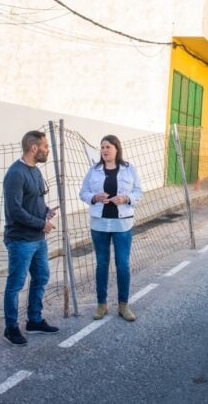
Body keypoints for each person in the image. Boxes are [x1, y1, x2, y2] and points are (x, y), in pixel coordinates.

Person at [2, 130, 60, 346]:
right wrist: (41, 224)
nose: (47, 150)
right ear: (34, 148)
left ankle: (34, 321)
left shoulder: (35, 171)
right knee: (15, 284)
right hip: (21, 240)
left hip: (38, 238)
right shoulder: (15, 174)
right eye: (45, 146)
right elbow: (15, 210)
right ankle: (11, 328)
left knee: (42, 277)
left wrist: (45, 211)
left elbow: (33, 201)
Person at [79, 135, 143, 322]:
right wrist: (94, 197)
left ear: (116, 148)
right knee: (101, 264)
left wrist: (126, 198)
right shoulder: (94, 170)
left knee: (122, 264)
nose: (104, 150)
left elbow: (139, 192)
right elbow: (83, 192)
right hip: (99, 223)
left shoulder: (129, 169)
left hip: (122, 223)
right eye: (102, 147)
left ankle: (123, 305)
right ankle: (102, 304)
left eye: (108, 147)